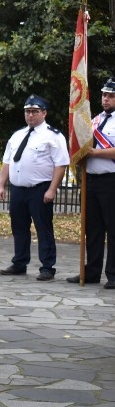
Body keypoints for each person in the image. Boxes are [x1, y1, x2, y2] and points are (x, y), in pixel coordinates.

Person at [0, 95, 69, 281]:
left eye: (35, 111)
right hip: (18, 189)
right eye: (27, 111)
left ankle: (47, 266)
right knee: (19, 227)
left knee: (43, 228)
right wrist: (1, 185)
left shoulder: (53, 136)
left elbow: (61, 164)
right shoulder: (17, 134)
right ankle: (19, 262)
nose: (30, 115)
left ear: (44, 113)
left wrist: (52, 189)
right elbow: (7, 162)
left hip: (40, 188)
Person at [67, 77, 115, 288]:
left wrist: (96, 152)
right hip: (92, 180)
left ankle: (113, 274)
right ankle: (91, 272)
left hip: (111, 180)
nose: (106, 99)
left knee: (112, 229)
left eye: (111, 96)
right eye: (104, 95)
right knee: (92, 228)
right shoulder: (94, 120)